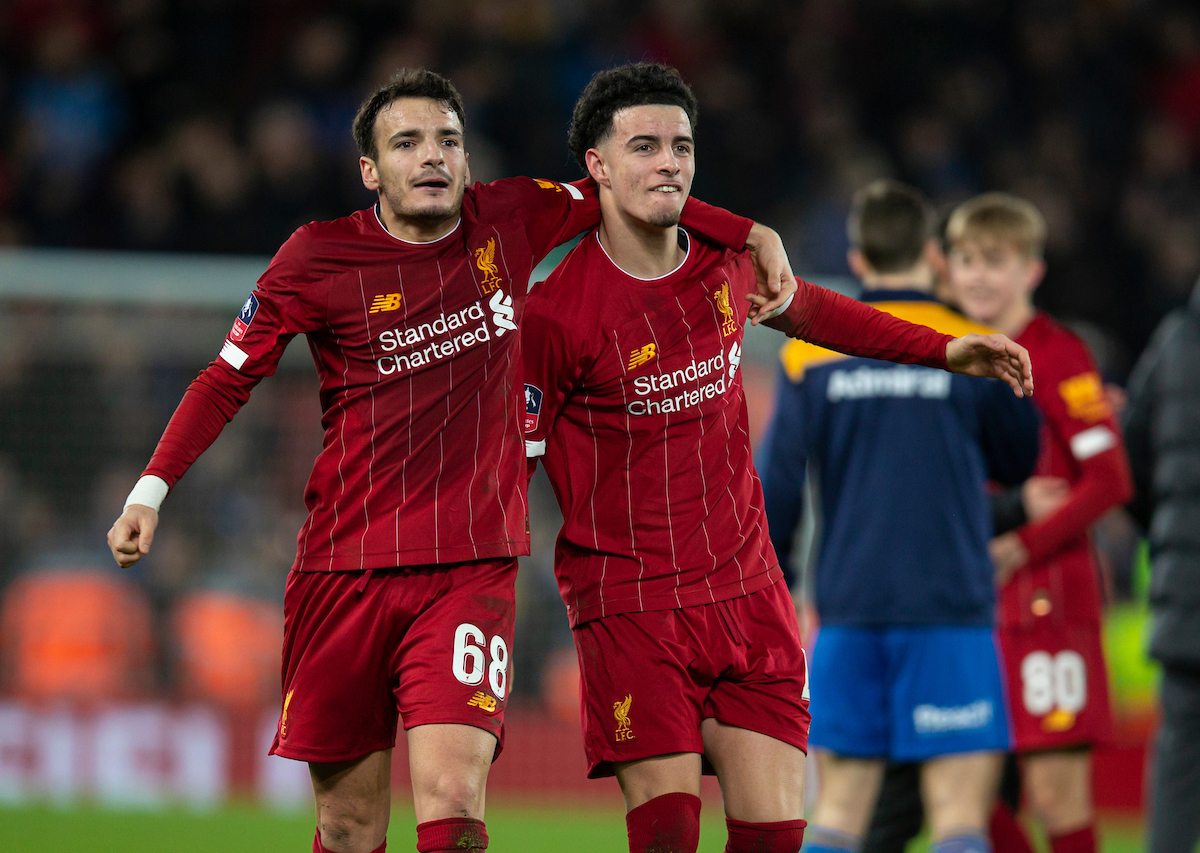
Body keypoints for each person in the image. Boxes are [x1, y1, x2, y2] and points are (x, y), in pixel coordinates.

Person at [105, 68, 792, 853]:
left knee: (454, 801)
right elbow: (227, 378)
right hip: (344, 568)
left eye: (449, 142)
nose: (432, 156)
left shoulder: (512, 216)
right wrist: (149, 493)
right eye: (408, 143)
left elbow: (631, 185)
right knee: (348, 822)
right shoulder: (317, 258)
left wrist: (747, 233)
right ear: (371, 170)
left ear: (468, 160)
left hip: (471, 566)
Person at [521, 69, 1034, 853]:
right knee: (666, 834)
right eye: (645, 146)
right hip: (632, 602)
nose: (670, 163)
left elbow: (826, 315)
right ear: (595, 167)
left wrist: (946, 349)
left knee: (775, 837)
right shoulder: (555, 315)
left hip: (747, 593)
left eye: (682, 147)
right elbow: (506, 468)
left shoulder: (726, 264)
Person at [760, 180, 1040, 853]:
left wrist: (786, 592)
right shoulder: (968, 343)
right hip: (949, 603)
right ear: (933, 256)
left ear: (857, 260)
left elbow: (777, 488)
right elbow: (1022, 456)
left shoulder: (811, 352)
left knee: (839, 812)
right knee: (958, 818)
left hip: (850, 606)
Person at [945, 193, 1133, 853]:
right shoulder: (949, 349)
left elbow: (1109, 478)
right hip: (971, 602)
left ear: (1032, 270)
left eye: (994, 261)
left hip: (1049, 599)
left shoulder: (1058, 354)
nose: (977, 276)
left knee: (1055, 796)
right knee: (959, 786)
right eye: (965, 259)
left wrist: (1021, 544)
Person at [1123, 275, 1200, 853]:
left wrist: (1169, 536)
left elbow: (1129, 462)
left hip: (1185, 594)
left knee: (1179, 761)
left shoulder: (1175, 341)